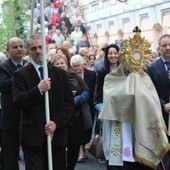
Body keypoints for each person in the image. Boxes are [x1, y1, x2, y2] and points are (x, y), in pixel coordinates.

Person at [12, 34, 75, 170]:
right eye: (34, 48)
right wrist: (38, 89)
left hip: (56, 136)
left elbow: (69, 102)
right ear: (28, 51)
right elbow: (18, 101)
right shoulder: (20, 74)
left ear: (46, 48)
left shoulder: (59, 73)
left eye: (41, 47)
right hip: (33, 137)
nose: (38, 51)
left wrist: (56, 122)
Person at [96, 44, 157, 170]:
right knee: (117, 154)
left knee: (131, 149)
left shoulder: (139, 76)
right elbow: (103, 96)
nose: (113, 56)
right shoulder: (107, 75)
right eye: (110, 53)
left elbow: (147, 97)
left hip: (132, 118)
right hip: (114, 118)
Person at [51, 53, 90, 170]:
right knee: (59, 148)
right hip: (59, 119)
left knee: (74, 148)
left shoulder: (75, 76)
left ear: (67, 65)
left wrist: (76, 100)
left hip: (75, 118)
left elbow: (86, 92)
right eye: (57, 64)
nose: (60, 65)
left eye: (62, 63)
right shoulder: (50, 78)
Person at [0, 37, 26, 170]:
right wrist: (22, 72)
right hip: (10, 120)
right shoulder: (2, 67)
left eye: (21, 46)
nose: (19, 49)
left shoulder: (29, 65)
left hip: (29, 119)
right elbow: (4, 85)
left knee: (32, 156)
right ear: (8, 51)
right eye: (15, 47)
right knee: (10, 157)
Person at [147, 34, 170, 170]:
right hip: (161, 114)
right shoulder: (152, 67)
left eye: (169, 45)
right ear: (159, 48)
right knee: (164, 148)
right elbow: (150, 90)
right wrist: (163, 104)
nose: (168, 48)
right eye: (164, 45)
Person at [70, 54, 96, 163]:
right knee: (79, 129)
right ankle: (79, 151)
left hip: (89, 106)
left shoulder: (92, 74)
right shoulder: (70, 76)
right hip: (75, 108)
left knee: (88, 129)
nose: (77, 68)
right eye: (74, 66)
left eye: (79, 65)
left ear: (83, 65)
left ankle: (83, 147)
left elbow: (94, 89)